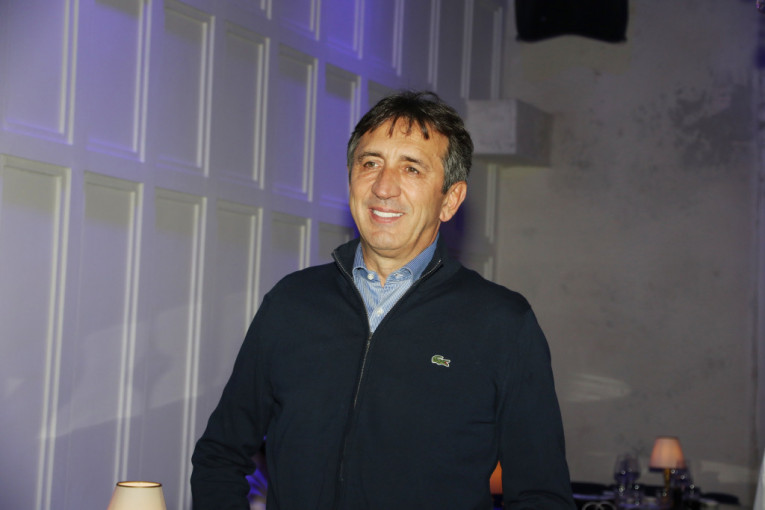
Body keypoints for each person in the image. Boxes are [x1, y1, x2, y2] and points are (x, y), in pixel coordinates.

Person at [191, 90, 575, 509]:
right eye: (370, 163)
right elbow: (219, 455)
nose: (383, 187)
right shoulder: (292, 302)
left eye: (411, 168)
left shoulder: (502, 323)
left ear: (450, 200)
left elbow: (541, 496)